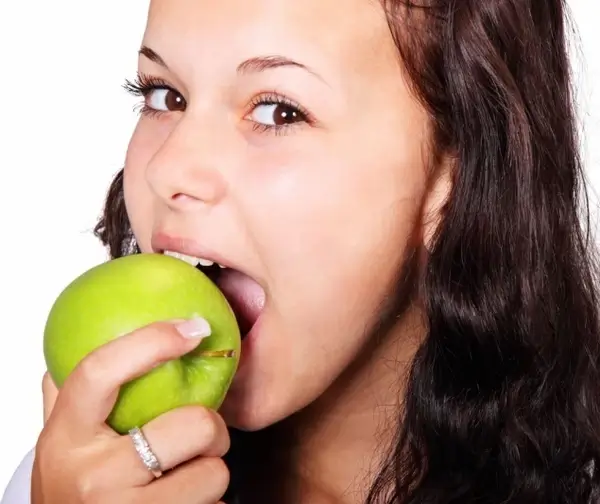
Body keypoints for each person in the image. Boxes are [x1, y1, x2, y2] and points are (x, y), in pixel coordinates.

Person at [3, 0, 600, 502]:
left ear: (456, 174)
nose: (168, 169)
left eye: (277, 110)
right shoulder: (74, 484)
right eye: (165, 96)